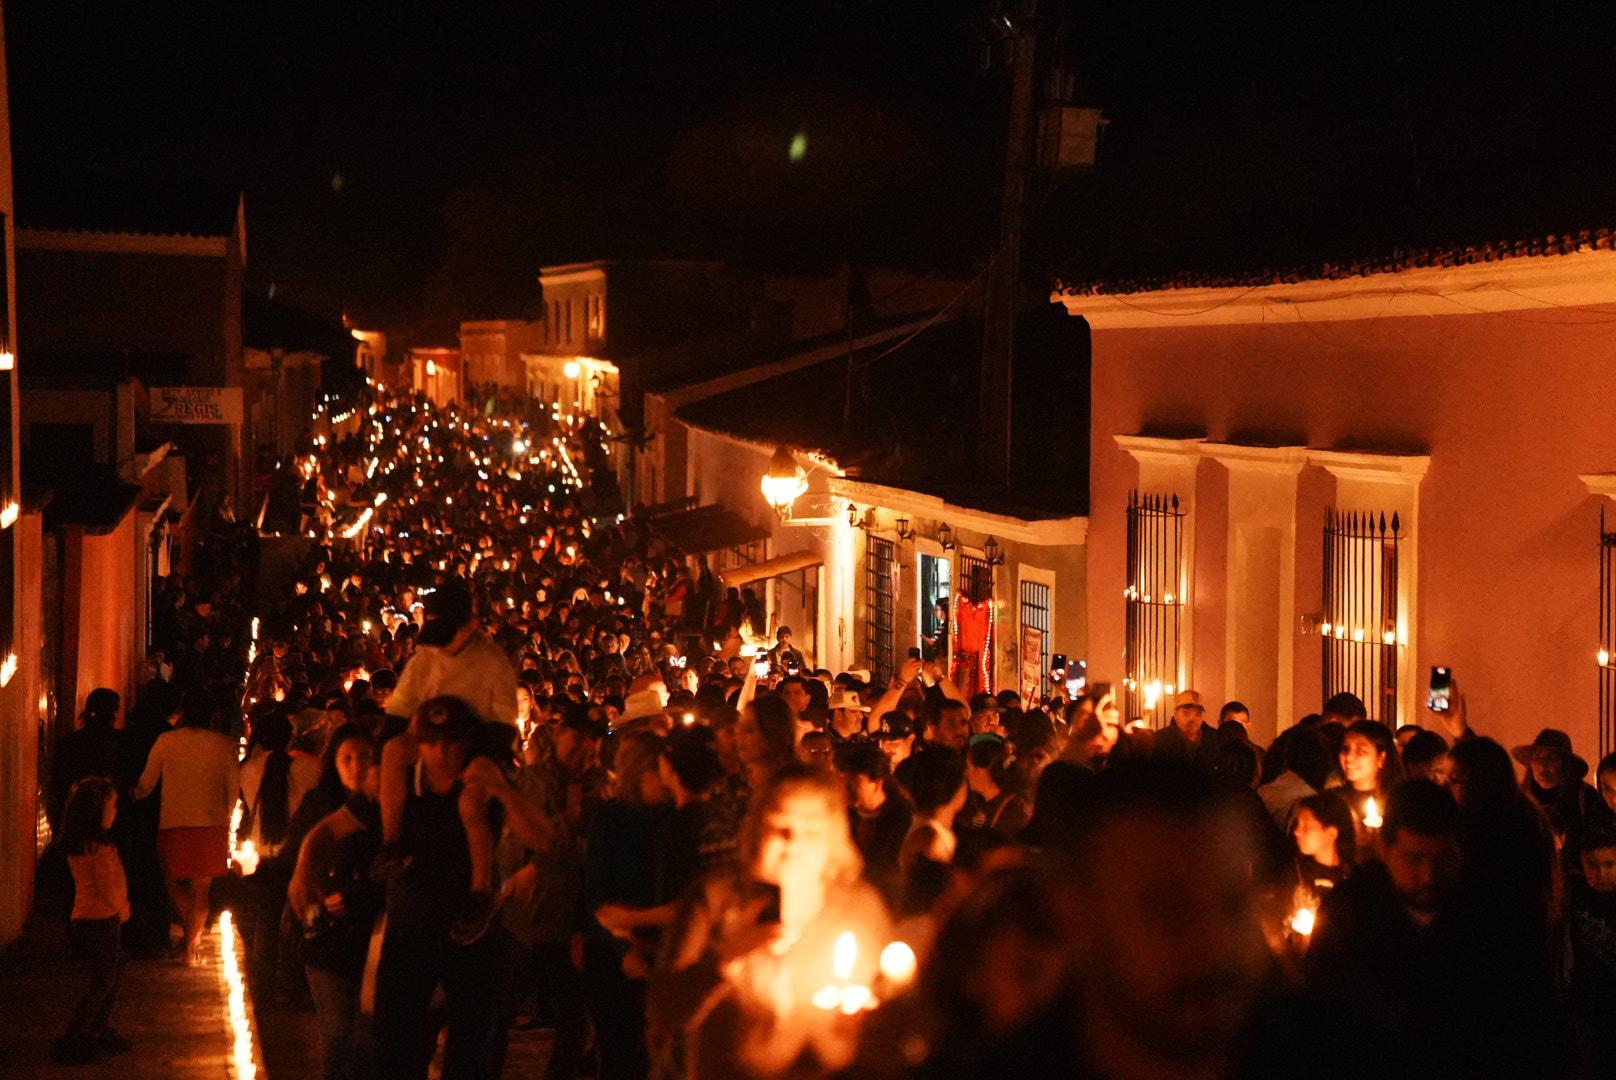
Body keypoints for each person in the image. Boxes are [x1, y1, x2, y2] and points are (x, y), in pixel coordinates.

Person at [649, 764, 892, 1079]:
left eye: (811, 832)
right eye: (780, 827)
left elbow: (892, 1008)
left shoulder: (857, 906)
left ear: (833, 840)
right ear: (755, 829)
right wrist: (726, 956)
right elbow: (665, 1010)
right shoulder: (716, 899)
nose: (793, 842)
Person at [371, 696, 551, 1080]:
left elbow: (544, 838)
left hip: (470, 937)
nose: (442, 752)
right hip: (410, 934)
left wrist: (502, 789)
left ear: (467, 741)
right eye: (433, 742)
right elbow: (338, 824)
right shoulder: (403, 784)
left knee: (471, 1052)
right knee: (394, 1050)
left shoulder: (481, 782)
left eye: (451, 742)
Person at [1305, 780, 1462, 1071]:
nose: (1429, 875)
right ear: (1384, 849)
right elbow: (1321, 1019)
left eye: (1442, 860)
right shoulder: (1348, 914)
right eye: (1413, 859)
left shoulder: (1480, 916)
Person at [286, 731, 381, 1080]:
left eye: (365, 757)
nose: (356, 767)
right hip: (327, 936)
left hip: (374, 933)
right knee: (338, 1033)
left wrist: (357, 895)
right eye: (347, 759)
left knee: (370, 1034)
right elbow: (295, 856)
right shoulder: (318, 804)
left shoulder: (386, 804)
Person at [583, 729, 674, 1080]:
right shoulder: (611, 821)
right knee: (622, 1056)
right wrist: (623, 949)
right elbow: (596, 894)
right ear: (641, 772)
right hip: (614, 956)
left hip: (660, 950)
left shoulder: (672, 819)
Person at [132, 691, 239, 964]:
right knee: (201, 890)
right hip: (211, 824)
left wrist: (132, 794)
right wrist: (226, 820)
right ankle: (192, 947)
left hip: (173, 822)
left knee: (172, 883)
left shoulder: (167, 741)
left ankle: (190, 939)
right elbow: (232, 790)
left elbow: (146, 783)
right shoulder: (224, 744)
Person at [54, 778, 133, 1066]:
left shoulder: (83, 843)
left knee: (110, 975)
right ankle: (76, 1037)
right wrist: (121, 907)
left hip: (91, 917)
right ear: (96, 810)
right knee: (103, 981)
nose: (116, 811)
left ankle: (96, 1031)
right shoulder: (96, 847)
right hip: (99, 918)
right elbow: (106, 884)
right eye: (112, 806)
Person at [1512, 728, 1607, 859]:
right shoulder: (1521, 798)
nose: (1542, 766)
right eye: (1536, 758)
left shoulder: (1585, 797)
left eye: (1551, 759)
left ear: (1565, 764)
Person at [839, 740, 912, 901]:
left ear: (877, 783)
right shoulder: (841, 818)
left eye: (854, 783)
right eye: (844, 782)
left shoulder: (904, 820)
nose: (847, 789)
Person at [962, 735, 1029, 838]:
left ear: (982, 770)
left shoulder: (1011, 813)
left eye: (969, 766)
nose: (966, 773)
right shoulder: (985, 804)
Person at [1151, 689, 1218, 768]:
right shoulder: (1161, 741)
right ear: (1175, 714)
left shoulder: (1213, 739)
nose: (1192, 718)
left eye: (1197, 714)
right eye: (1186, 713)